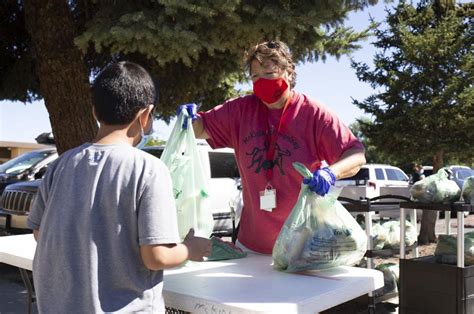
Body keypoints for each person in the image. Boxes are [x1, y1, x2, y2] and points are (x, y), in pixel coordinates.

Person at [27, 61, 211, 313]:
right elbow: (156, 257)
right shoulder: (148, 168)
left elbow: (40, 233)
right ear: (145, 115)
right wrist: (192, 248)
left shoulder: (60, 166)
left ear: (94, 111)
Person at [180, 41, 366, 254]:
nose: (261, 83)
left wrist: (330, 173)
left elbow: (356, 154)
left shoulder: (313, 114)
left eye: (269, 74)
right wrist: (188, 119)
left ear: (288, 73)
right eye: (255, 77)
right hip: (251, 246)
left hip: (303, 247)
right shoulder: (241, 110)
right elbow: (201, 128)